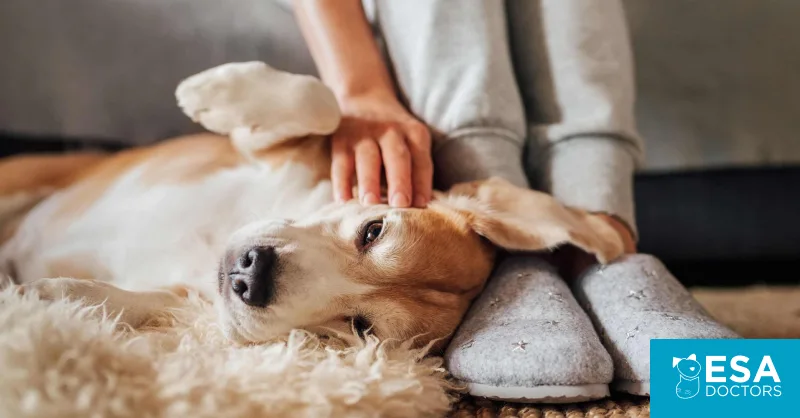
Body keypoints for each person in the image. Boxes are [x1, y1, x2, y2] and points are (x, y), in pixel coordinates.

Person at [0, 0, 737, 402]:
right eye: (371, 235)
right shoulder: (305, 178)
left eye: (359, 325)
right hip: (47, 193)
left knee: (760, 385)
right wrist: (355, 94)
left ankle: (600, 235)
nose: (265, 283)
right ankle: (565, 240)